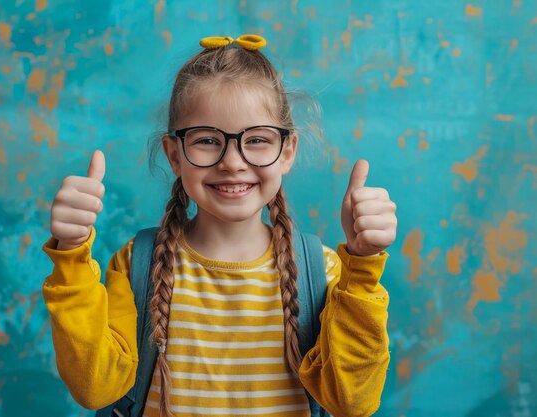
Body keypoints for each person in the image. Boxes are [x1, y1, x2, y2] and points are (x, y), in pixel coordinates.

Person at [42, 34, 397, 417]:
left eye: (257, 139)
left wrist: (362, 266)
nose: (232, 161)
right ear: (174, 155)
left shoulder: (324, 273)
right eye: (208, 140)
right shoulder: (136, 265)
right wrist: (71, 258)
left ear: (287, 152)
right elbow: (95, 388)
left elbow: (352, 402)